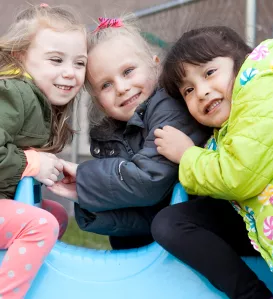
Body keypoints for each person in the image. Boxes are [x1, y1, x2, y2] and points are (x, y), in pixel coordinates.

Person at [153, 25, 273, 299]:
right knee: (171, 222)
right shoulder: (226, 134)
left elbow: (239, 175)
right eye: (188, 90)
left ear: (241, 61)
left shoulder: (266, 86)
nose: (202, 92)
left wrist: (187, 155)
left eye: (209, 73)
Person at [48, 16, 211, 250]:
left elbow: (149, 182)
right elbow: (142, 216)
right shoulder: (112, 135)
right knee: (124, 238)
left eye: (128, 71)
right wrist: (87, 199)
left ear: (155, 65)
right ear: (98, 102)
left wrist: (84, 177)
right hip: (162, 230)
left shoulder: (169, 110)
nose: (122, 88)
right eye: (106, 85)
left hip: (203, 227)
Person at [0, 3, 87, 299]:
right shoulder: (14, 92)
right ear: (20, 56)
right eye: (56, 60)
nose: (70, 73)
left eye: (79, 63)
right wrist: (31, 162)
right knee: (41, 224)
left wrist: (46, 167)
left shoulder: (38, 101)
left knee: (57, 215)